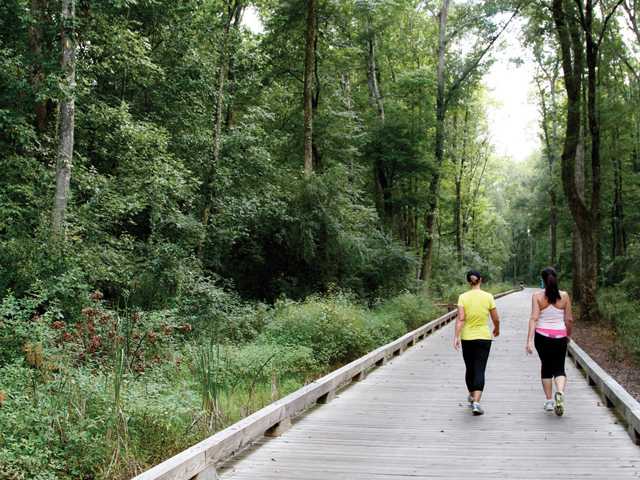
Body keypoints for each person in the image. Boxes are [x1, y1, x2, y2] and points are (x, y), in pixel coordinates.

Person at [526, 267, 574, 416]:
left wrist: (529, 340)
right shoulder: (564, 296)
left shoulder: (537, 296)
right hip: (560, 336)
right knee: (559, 367)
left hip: (542, 336)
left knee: (546, 367)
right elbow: (569, 319)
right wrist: (568, 335)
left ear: (542, 280)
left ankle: (548, 401)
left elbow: (534, 318)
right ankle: (559, 392)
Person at [454, 270, 500, 416]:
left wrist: (456, 336)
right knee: (480, 368)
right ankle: (477, 403)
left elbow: (461, 319)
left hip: (467, 337)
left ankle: (472, 395)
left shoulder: (462, 297)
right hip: (484, 337)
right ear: (480, 280)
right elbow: (496, 318)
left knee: (470, 368)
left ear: (469, 281)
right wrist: (497, 329)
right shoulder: (488, 297)